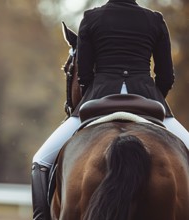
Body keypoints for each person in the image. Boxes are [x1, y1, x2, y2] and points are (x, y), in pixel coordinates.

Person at [31, 0, 189, 219]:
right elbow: (166, 76)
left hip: (98, 98)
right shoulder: (154, 20)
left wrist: (92, 93)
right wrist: (153, 99)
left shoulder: (91, 18)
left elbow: (84, 74)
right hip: (148, 99)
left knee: (40, 162)